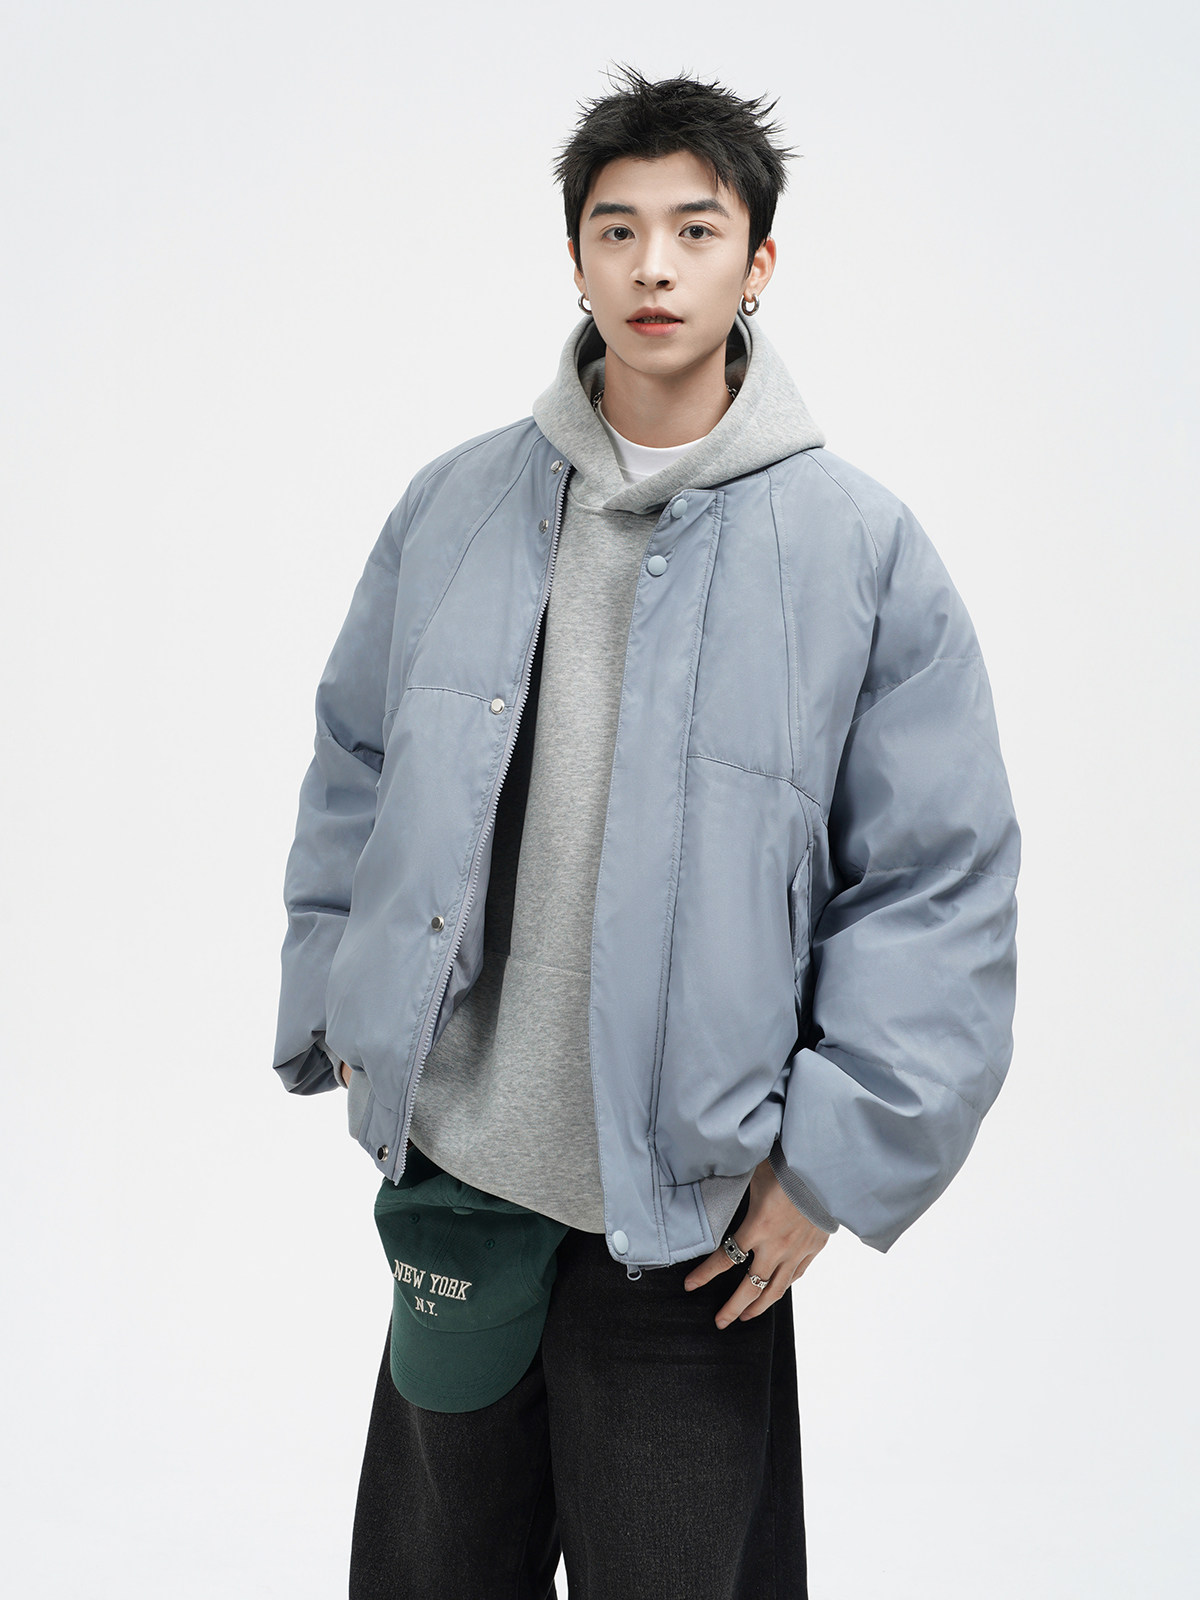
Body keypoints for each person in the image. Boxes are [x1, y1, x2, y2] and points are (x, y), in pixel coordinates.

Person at [272, 64, 1020, 1600]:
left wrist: (834, 1162)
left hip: (693, 1220)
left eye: (696, 229)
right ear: (576, 258)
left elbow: (936, 881)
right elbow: (355, 758)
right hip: (464, 1177)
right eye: (618, 231)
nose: (654, 267)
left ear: (759, 262)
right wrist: (347, 1012)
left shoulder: (858, 548)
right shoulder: (456, 505)